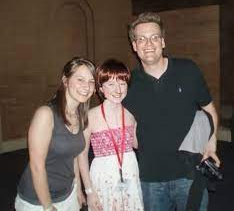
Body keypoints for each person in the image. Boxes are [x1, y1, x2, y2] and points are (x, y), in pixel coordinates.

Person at [123, 12, 220, 211]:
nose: (148, 44)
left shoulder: (188, 70)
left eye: (154, 37)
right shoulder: (128, 83)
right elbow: (128, 126)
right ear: (134, 46)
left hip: (190, 173)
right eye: (141, 39)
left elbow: (208, 109)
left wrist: (211, 144)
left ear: (163, 41)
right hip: (150, 179)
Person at [15, 57, 96, 211]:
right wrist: (47, 207)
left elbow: (73, 155)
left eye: (91, 81)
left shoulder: (80, 115)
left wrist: (77, 188)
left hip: (67, 193)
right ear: (65, 81)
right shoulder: (46, 114)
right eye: (80, 79)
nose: (87, 86)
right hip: (37, 200)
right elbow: (37, 166)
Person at [78, 59, 143, 211]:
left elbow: (136, 145)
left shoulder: (130, 115)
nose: (118, 89)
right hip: (103, 176)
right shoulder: (90, 116)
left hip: (129, 172)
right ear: (101, 88)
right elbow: (81, 157)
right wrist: (89, 191)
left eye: (122, 83)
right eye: (111, 84)